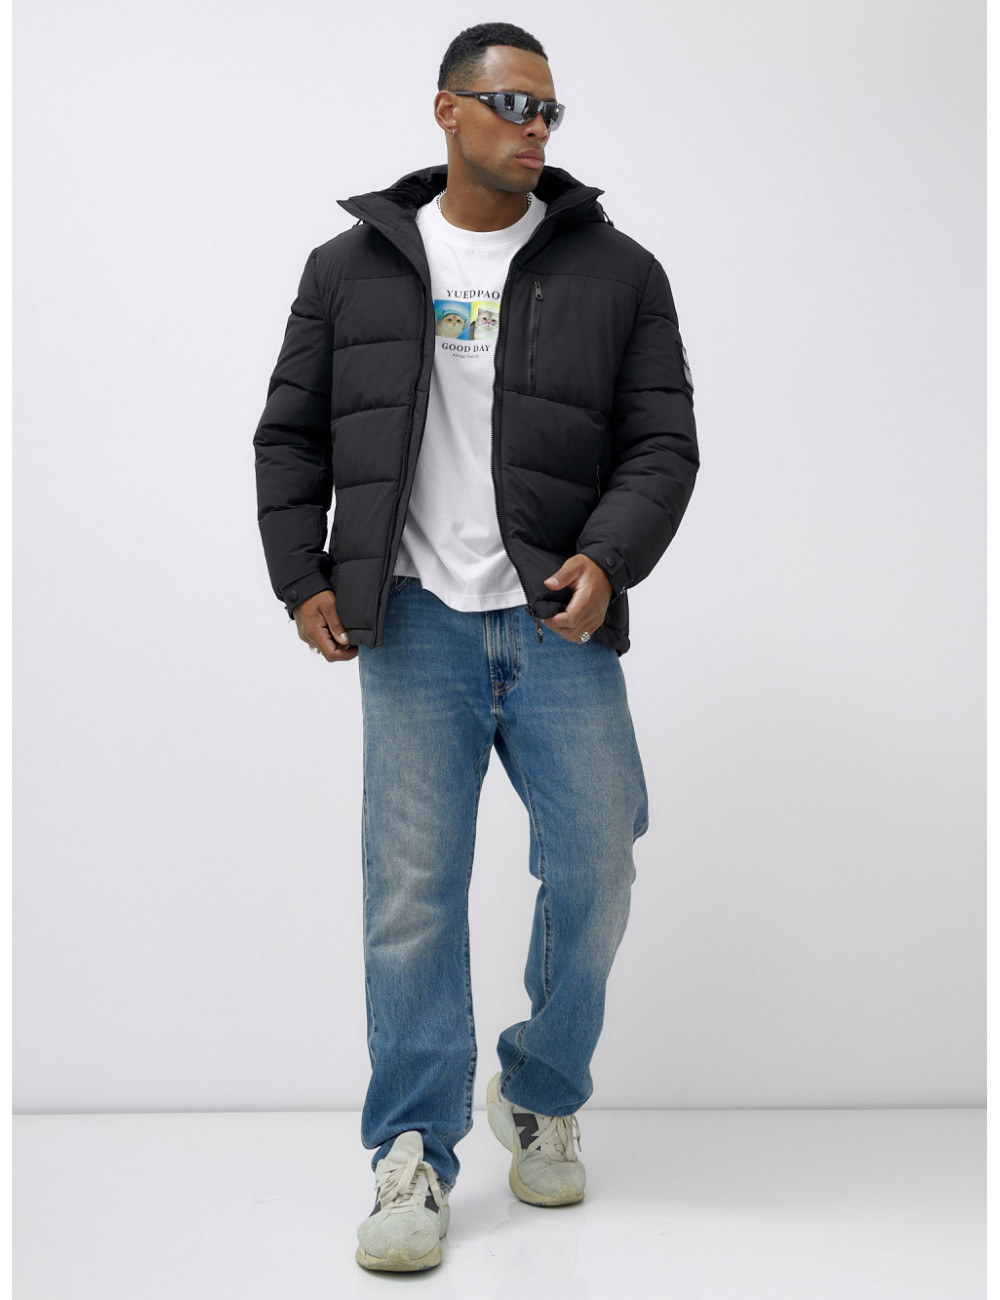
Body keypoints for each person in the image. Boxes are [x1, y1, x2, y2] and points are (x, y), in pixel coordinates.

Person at [253, 21, 698, 1273]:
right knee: (411, 894)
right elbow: (288, 435)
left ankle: (540, 1088)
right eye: (510, 102)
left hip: (557, 617)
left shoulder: (620, 272)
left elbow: (663, 441)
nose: (535, 125)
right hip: (411, 622)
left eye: (549, 108)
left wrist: (606, 557)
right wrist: (300, 576)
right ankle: (411, 1151)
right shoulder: (348, 269)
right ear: (446, 109)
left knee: (598, 861)